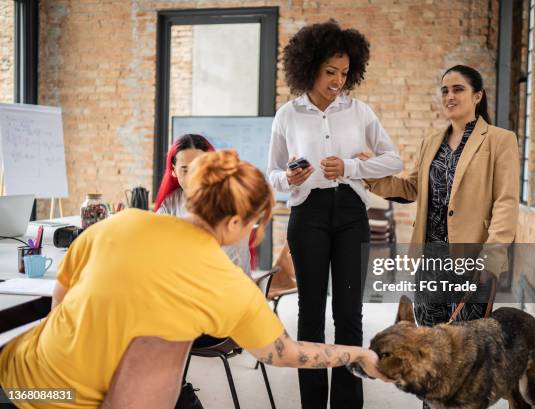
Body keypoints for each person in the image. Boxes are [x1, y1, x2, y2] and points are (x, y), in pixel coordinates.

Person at [0, 150, 385, 409]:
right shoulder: (229, 287)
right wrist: (358, 353)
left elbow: (61, 295)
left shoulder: (121, 221)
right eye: (253, 223)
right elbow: (285, 353)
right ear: (235, 223)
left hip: (20, 376)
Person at [365, 65, 519, 406]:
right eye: (445, 90)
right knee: (428, 349)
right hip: (429, 260)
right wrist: (368, 172)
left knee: (466, 352)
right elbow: (410, 187)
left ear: (477, 96)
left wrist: (492, 257)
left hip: (471, 260)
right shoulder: (431, 141)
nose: (449, 96)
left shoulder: (499, 141)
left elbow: (506, 202)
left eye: (458, 89)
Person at [268, 20, 403, 409]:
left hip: (349, 214)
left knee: (349, 315)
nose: (338, 81)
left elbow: (392, 160)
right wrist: (291, 176)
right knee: (309, 314)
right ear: (309, 67)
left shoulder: (359, 112)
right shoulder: (287, 115)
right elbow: (271, 174)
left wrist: (349, 167)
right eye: (330, 72)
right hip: (306, 215)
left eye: (344, 73)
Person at [155, 133, 251, 277]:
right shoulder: (171, 202)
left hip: (225, 286)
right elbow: (156, 241)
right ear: (174, 170)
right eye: (185, 169)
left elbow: (226, 264)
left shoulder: (229, 203)